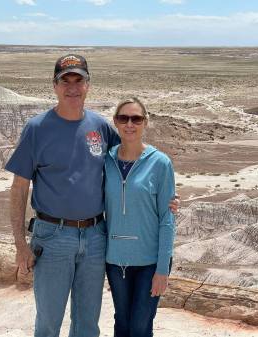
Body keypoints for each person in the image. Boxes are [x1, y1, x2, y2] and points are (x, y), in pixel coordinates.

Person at [5, 54, 120, 337]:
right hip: (53, 237)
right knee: (48, 322)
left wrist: (162, 194)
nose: (72, 87)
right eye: (64, 81)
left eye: (78, 80)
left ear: (88, 85)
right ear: (54, 86)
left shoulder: (100, 126)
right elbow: (19, 188)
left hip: (95, 237)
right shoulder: (37, 129)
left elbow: (128, 167)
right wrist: (21, 244)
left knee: (87, 323)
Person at [104, 97, 176, 337]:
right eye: (123, 118)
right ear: (115, 122)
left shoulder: (160, 163)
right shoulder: (105, 162)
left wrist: (163, 269)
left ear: (145, 122)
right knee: (122, 323)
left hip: (149, 263)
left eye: (136, 118)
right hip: (115, 261)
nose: (129, 124)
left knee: (140, 327)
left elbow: (167, 218)